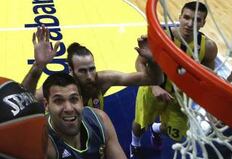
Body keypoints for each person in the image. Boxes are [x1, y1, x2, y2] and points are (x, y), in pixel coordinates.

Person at [129, 1, 218, 159]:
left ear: (203, 23)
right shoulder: (162, 36)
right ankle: (135, 145)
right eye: (186, 17)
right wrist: (154, 86)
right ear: (180, 17)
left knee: (175, 133)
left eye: (197, 20)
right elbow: (139, 63)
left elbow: (206, 80)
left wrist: (209, 108)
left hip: (180, 97)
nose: (190, 23)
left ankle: (156, 130)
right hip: (152, 89)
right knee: (140, 124)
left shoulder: (208, 47)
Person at [30, 72, 139, 159]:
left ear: (81, 101)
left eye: (74, 99)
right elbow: (17, 118)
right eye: (59, 101)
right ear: (46, 105)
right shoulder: (41, 142)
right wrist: (36, 69)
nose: (69, 108)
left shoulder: (100, 121)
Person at [22, 25, 163, 109]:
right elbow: (21, 99)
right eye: (82, 71)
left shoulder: (103, 79)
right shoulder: (57, 88)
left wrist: (153, 61)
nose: (90, 76)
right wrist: (37, 67)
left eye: (92, 68)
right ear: (71, 71)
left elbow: (155, 79)